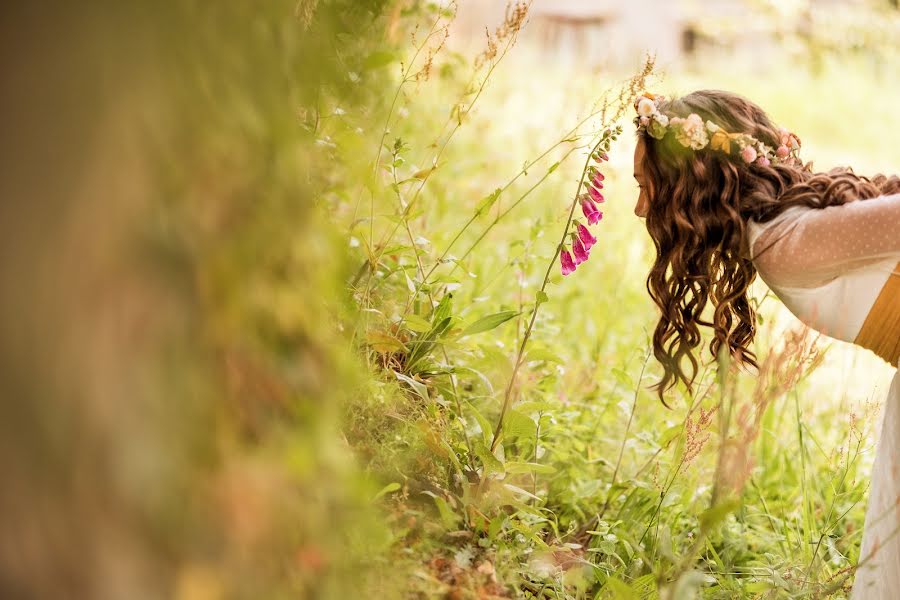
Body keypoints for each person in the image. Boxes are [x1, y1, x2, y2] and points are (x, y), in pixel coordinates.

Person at [630, 89, 900, 597]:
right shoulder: (777, 235)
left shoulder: (786, 245)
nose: (640, 205)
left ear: (691, 188)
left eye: (647, 185)